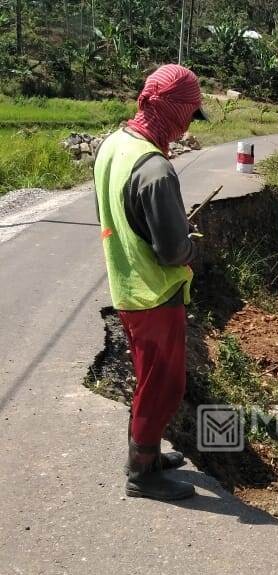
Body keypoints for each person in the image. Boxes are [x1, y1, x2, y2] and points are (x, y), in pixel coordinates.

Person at [94, 64, 207, 501]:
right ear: (173, 110)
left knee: (148, 379)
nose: (185, 128)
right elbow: (173, 251)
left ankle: (150, 453)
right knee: (164, 386)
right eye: (187, 115)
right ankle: (142, 473)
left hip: (127, 284)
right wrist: (192, 247)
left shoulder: (115, 145)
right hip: (154, 293)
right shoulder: (155, 168)